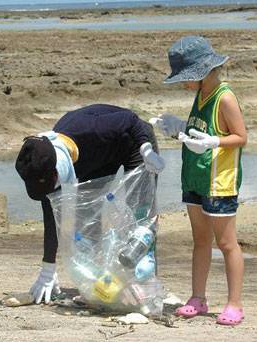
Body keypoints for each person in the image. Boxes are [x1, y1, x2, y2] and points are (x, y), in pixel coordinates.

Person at [15, 104, 165, 305]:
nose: (52, 188)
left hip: (133, 142)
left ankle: (145, 285)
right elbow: (51, 213)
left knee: (139, 217)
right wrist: (48, 268)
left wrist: (146, 149)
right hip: (98, 158)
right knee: (88, 219)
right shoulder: (40, 163)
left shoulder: (88, 128)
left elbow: (130, 119)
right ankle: (99, 284)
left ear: (55, 172)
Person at [154, 35, 247, 325]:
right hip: (194, 177)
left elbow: (241, 137)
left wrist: (214, 142)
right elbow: (198, 128)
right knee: (200, 240)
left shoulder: (225, 96)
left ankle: (234, 304)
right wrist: (180, 127)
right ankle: (198, 298)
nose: (184, 84)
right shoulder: (200, 94)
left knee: (227, 242)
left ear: (202, 72)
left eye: (186, 78)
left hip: (220, 181)